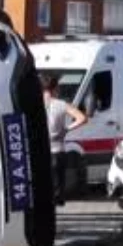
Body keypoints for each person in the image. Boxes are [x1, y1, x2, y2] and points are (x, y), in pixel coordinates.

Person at [42, 73, 88, 206]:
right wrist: (67, 128)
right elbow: (83, 118)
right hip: (58, 150)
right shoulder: (62, 104)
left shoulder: (35, 103)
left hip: (41, 151)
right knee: (57, 189)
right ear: (55, 88)